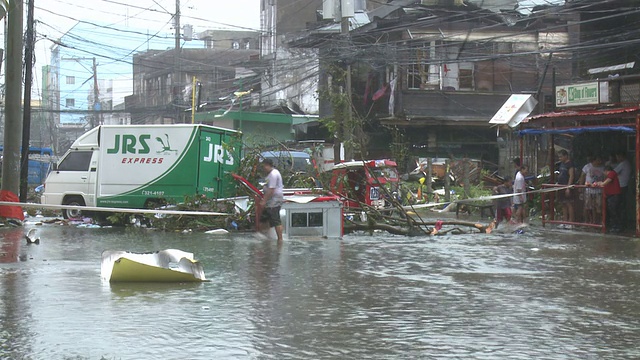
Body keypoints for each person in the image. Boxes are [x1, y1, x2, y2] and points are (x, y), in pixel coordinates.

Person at [259, 159, 284, 242]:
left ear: (267, 165)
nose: (263, 168)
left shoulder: (273, 174)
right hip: (271, 200)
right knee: (265, 218)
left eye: (264, 166)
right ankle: (266, 236)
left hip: (275, 200)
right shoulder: (270, 174)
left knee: (275, 219)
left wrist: (264, 201)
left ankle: (280, 239)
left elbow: (271, 189)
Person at [578, 155, 604, 224]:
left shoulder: (602, 168)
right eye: (598, 160)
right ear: (594, 160)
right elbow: (582, 176)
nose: (600, 162)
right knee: (587, 206)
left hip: (598, 190)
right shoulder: (587, 166)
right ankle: (586, 221)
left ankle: (596, 222)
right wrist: (581, 186)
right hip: (588, 190)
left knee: (598, 206)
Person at [596, 165, 622, 233]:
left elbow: (607, 181)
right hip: (610, 196)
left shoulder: (612, 173)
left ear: (606, 171)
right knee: (612, 211)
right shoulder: (609, 176)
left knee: (614, 211)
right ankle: (614, 226)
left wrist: (602, 183)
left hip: (614, 195)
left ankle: (617, 226)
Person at [557, 150, 576, 229]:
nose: (560, 158)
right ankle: (565, 221)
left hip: (567, 186)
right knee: (563, 204)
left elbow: (571, 176)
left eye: (561, 156)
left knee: (569, 204)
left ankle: (571, 222)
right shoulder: (561, 164)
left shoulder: (570, 164)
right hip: (561, 186)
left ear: (566, 156)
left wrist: (568, 187)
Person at [614, 151, 631, 229]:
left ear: (621, 156)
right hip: (624, 186)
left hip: (621, 186)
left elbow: (613, 173)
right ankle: (622, 224)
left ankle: (619, 225)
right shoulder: (627, 163)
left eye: (617, 156)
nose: (617, 158)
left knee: (617, 206)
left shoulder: (623, 164)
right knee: (622, 205)